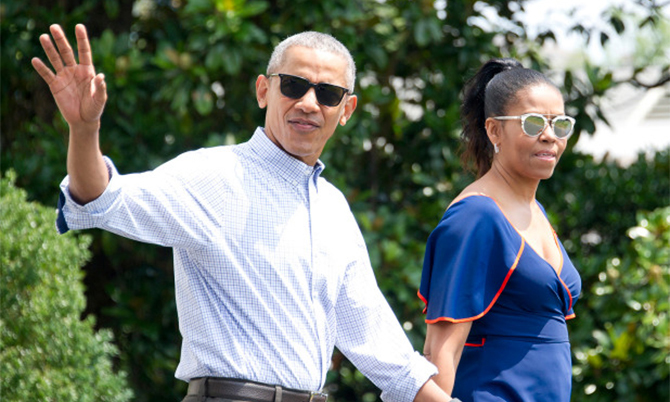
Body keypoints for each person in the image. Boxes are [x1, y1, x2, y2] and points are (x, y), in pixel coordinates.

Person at [32, 24, 457, 402]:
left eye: (328, 94)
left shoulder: (333, 209)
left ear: (346, 110)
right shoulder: (213, 176)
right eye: (293, 86)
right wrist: (84, 130)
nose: (309, 103)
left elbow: (382, 349)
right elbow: (103, 199)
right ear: (263, 91)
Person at [418, 58, 582, 401]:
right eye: (533, 123)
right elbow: (440, 349)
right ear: (494, 131)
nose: (549, 136)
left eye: (560, 124)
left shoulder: (535, 211)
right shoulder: (476, 216)